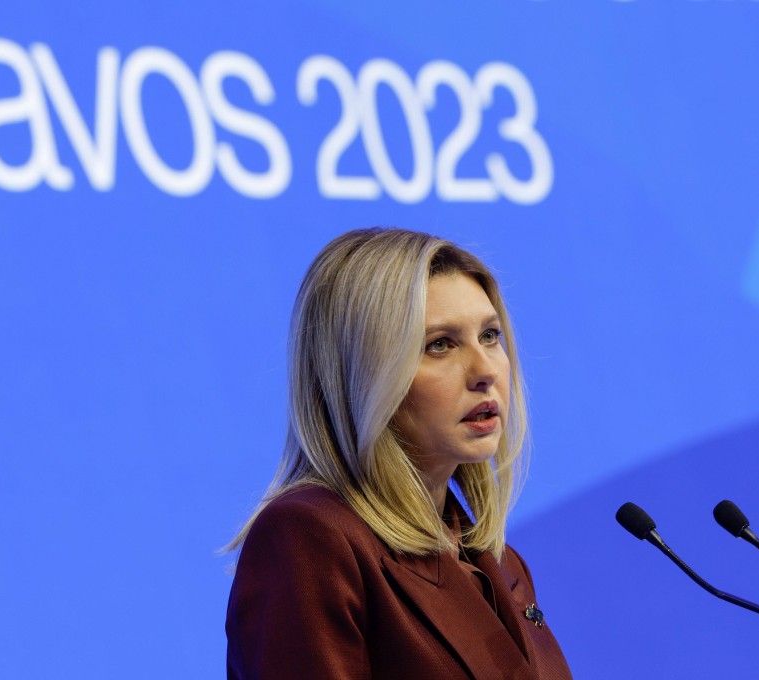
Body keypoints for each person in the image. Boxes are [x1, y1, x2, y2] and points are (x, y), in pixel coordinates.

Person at [225, 228, 571, 679]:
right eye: (439, 345)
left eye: (490, 335)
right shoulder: (311, 537)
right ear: (363, 374)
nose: (486, 370)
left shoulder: (500, 563)